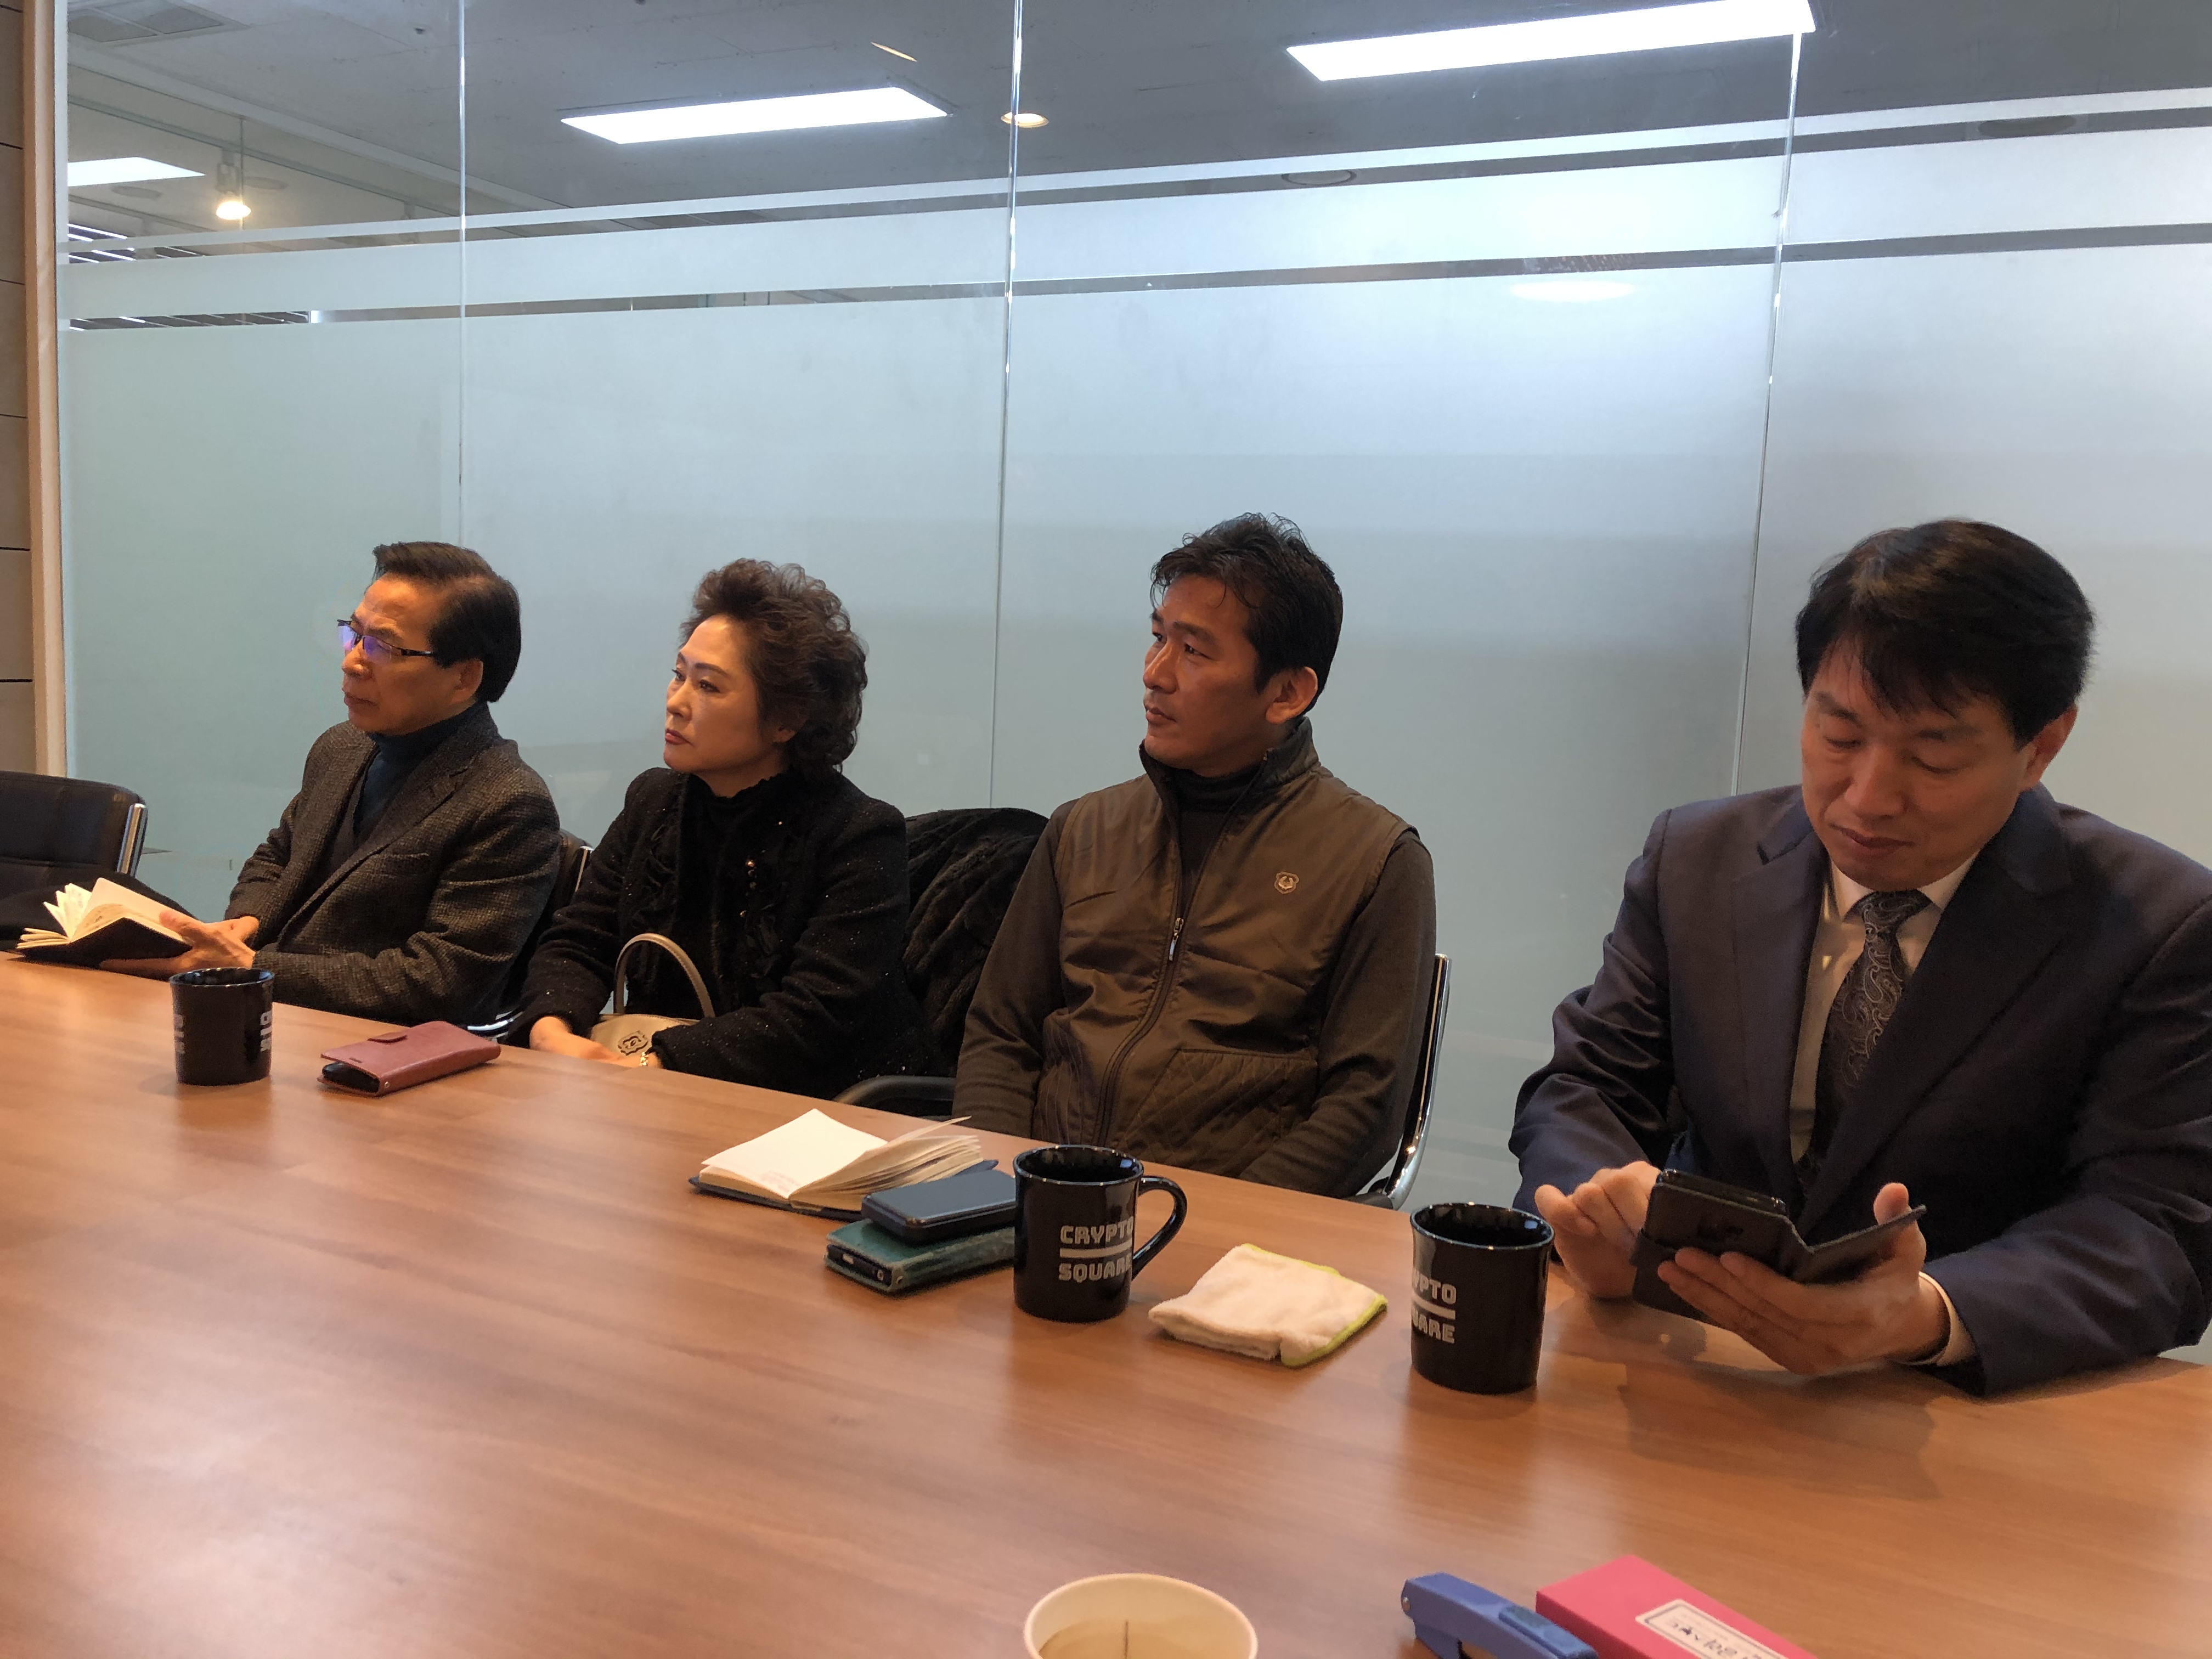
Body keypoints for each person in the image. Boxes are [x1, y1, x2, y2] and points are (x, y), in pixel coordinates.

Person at [1512, 520, 2212, 1395]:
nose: (1869, 797)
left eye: (1934, 754)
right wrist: (1595, 1218)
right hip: (1697, 1375)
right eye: (1840, 735)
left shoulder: (2157, 923)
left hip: (1957, 1408)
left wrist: (1928, 1314)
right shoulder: (1697, 860)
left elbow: (2156, 1227)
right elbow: (1590, 1087)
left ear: (2041, 745)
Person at [959, 513, 1437, 1196]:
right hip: (1042, 1200)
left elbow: (1364, 1111)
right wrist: (1006, 1183)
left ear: (1287, 692)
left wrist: (1209, 1222)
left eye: (1193, 652)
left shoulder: (1376, 861)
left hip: (1227, 1230)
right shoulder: (1083, 830)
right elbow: (1000, 1033)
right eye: (1159, 638)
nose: (1155, 674)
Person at [516, 559, 933, 1096]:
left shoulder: (859, 835)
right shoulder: (654, 801)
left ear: (786, 720)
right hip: (657, 1090)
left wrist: (649, 1067)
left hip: (816, 1109)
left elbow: (812, 1018)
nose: (676, 703)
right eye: (679, 674)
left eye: (709, 687)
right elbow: (580, 939)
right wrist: (552, 1031)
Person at [105, 541, 562, 1026]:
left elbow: (438, 982)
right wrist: (244, 927)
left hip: (383, 1050)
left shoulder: (508, 802)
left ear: (464, 678)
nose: (352, 662)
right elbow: (277, 857)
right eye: (354, 634)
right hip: (280, 1021)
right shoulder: (342, 747)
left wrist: (253, 967)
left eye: (383, 646)